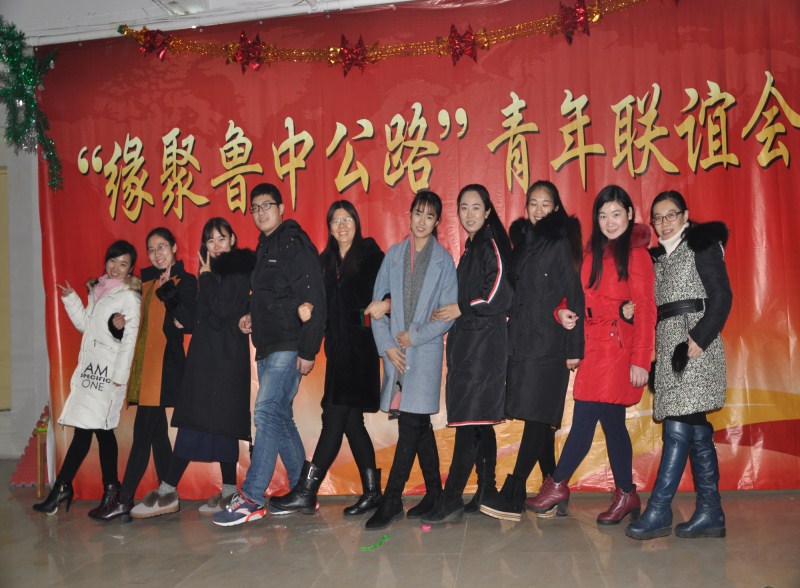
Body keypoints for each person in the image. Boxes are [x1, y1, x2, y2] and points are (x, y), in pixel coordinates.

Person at [526, 185, 656, 525]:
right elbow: (573, 294)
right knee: (613, 424)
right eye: (603, 215)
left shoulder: (637, 255)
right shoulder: (592, 253)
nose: (610, 222)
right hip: (592, 345)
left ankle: (557, 484)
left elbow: (645, 309)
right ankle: (626, 493)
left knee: (584, 417)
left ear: (630, 214)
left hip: (617, 349)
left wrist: (641, 359)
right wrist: (561, 311)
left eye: (616, 214)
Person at [123, 218, 256, 518]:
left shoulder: (238, 268)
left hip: (226, 359)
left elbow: (222, 307)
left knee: (214, 424)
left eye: (221, 238)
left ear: (233, 240)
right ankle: (224, 492)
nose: (216, 245)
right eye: (210, 240)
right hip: (206, 357)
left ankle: (170, 490)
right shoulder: (210, 272)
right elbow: (200, 317)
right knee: (204, 423)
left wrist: (206, 277)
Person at [214, 183, 326, 527]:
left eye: (267, 205)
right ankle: (303, 492)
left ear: (281, 208)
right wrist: (251, 315)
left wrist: (308, 349)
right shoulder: (265, 248)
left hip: (288, 345)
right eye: (255, 208)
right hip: (267, 345)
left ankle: (251, 497)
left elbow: (314, 297)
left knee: (265, 414)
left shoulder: (294, 244)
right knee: (281, 418)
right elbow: (272, 296)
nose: (261, 212)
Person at [626, 191, 732, 540]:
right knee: (696, 429)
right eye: (657, 218)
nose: (664, 223)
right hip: (668, 348)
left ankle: (659, 510)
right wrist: (631, 310)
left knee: (676, 426)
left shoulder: (702, 245)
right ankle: (711, 512)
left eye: (670, 215)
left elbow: (722, 296)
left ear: (685, 215)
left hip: (696, 345)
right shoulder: (656, 259)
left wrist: (700, 338)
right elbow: (650, 304)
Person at [268, 200, 385, 516]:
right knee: (351, 423)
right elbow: (313, 302)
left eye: (347, 219)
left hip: (359, 350)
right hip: (336, 351)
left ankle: (307, 491)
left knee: (333, 418)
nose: (342, 226)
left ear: (356, 223)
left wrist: (384, 305)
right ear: (329, 227)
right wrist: (304, 310)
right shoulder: (324, 262)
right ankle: (373, 493)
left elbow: (390, 293)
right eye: (336, 221)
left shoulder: (371, 256)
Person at [480, 180, 584, 522]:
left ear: (555, 208)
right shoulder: (524, 246)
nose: (539, 209)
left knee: (538, 417)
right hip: (523, 343)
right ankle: (555, 490)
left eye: (545, 203)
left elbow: (575, 295)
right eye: (533, 203)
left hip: (551, 345)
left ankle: (514, 491)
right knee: (539, 418)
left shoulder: (561, 243)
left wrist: (574, 348)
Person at [364, 190, 458, 530]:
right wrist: (387, 346)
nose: (422, 221)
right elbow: (376, 305)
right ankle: (435, 493)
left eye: (429, 216)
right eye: (418, 213)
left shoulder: (443, 261)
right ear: (410, 214)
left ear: (437, 222)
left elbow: (446, 316)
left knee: (410, 425)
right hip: (397, 355)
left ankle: (391, 500)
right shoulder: (393, 255)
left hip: (426, 352)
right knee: (418, 426)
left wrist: (414, 336)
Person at [420, 184, 512, 525]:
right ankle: (486, 490)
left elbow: (498, 293)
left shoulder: (490, 245)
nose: (469, 214)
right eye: (463, 208)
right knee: (480, 423)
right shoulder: (473, 249)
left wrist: (462, 307)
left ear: (488, 212)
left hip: (483, 349)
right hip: (469, 348)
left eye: (476, 207)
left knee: (470, 424)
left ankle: (451, 498)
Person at [91, 228, 197, 521]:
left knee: (142, 435)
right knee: (157, 435)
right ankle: (168, 495)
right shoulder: (142, 283)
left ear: (174, 248)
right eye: (151, 249)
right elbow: (134, 327)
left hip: (165, 368)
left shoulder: (186, 280)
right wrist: (117, 326)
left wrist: (169, 290)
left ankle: (124, 500)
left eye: (162, 247)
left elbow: (188, 321)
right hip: (143, 368)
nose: (157, 254)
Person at [34, 241, 141, 517]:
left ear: (131, 269)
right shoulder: (99, 290)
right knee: (90, 430)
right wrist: (72, 299)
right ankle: (100, 490)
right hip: (90, 370)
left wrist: (120, 376)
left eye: (123, 264)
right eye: (113, 261)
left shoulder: (129, 297)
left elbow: (130, 339)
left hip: (109, 373)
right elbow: (86, 326)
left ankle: (77, 489)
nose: (116, 268)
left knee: (100, 429)